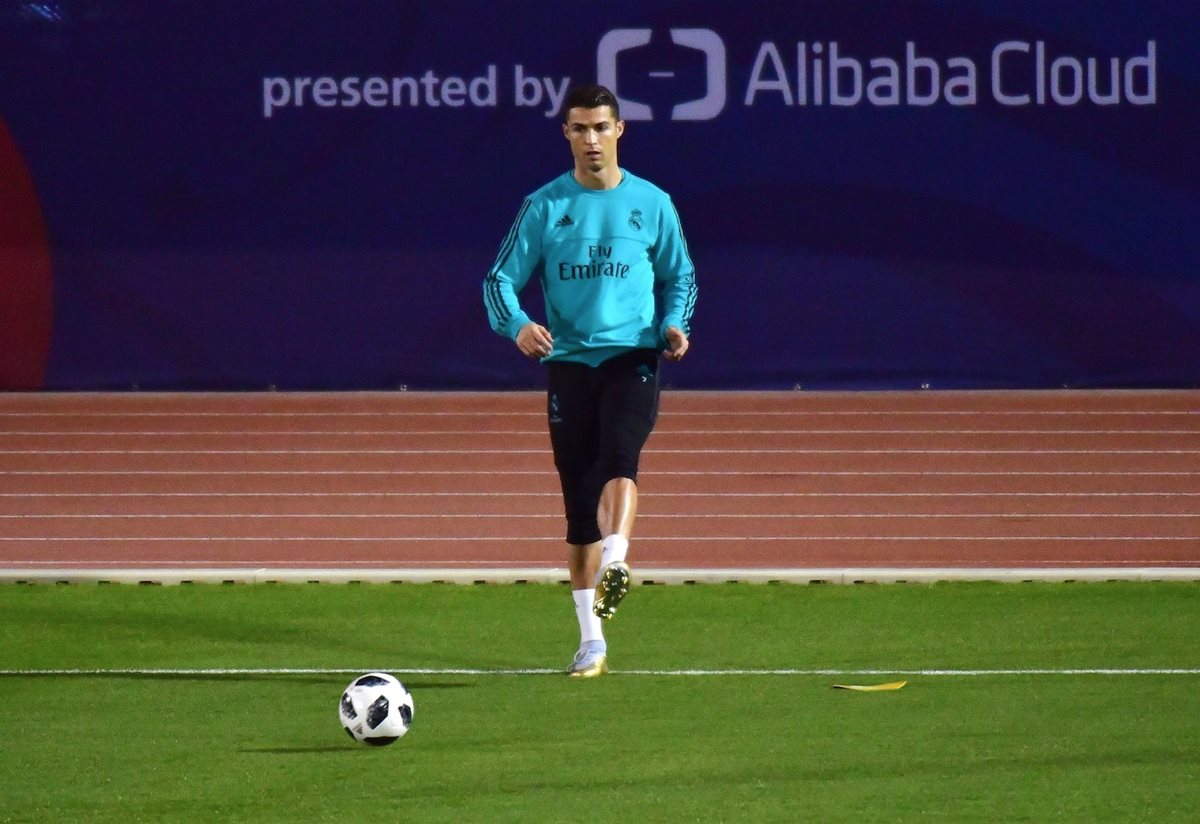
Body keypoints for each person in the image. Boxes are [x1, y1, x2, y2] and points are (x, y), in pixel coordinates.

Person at [483, 84, 697, 678]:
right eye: (580, 129)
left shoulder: (653, 203)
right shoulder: (545, 207)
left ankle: (619, 557)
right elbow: (498, 280)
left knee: (621, 457)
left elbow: (681, 276)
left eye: (601, 127)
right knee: (578, 506)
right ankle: (591, 641)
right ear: (566, 135)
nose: (592, 139)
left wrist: (675, 325)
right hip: (570, 365)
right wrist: (519, 325)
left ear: (620, 130)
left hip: (634, 355)